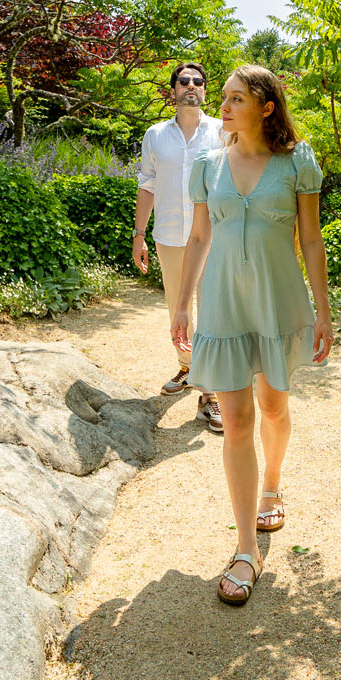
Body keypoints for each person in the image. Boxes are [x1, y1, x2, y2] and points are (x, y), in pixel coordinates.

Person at [170, 65, 334, 606]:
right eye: (223, 97)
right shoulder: (208, 163)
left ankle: (273, 482)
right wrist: (181, 306)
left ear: (266, 106)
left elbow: (310, 241)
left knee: (274, 406)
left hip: (277, 303)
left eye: (236, 98)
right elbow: (198, 237)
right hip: (222, 304)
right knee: (236, 419)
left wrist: (324, 312)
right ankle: (246, 549)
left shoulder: (296, 163)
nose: (224, 105)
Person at [134, 60, 227, 431]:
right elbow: (147, 183)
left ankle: (211, 393)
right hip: (170, 237)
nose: (191, 86)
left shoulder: (222, 132)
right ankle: (187, 368)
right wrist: (138, 234)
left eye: (198, 82)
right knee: (178, 308)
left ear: (205, 90)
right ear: (172, 90)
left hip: (215, 238)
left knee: (213, 312)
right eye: (184, 81)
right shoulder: (155, 135)